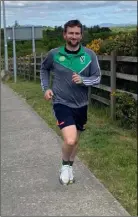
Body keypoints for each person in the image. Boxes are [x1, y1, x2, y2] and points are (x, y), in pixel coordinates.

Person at [40, 19, 101, 185]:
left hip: (81, 105)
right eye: (71, 33)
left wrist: (83, 80)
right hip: (61, 102)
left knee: (76, 141)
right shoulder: (54, 54)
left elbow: (97, 78)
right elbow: (44, 69)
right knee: (70, 140)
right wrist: (46, 88)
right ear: (64, 34)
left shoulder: (89, 55)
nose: (74, 36)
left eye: (77, 33)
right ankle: (64, 165)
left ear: (81, 35)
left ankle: (70, 166)